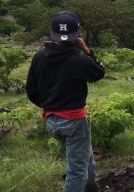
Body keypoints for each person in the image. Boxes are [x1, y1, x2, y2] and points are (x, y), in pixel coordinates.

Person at [26, 11, 105, 192]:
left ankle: (91, 188)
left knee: (85, 156)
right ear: (77, 35)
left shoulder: (39, 56)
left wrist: (50, 106)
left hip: (51, 120)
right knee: (77, 171)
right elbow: (99, 72)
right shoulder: (79, 60)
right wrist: (87, 50)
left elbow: (31, 90)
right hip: (74, 121)